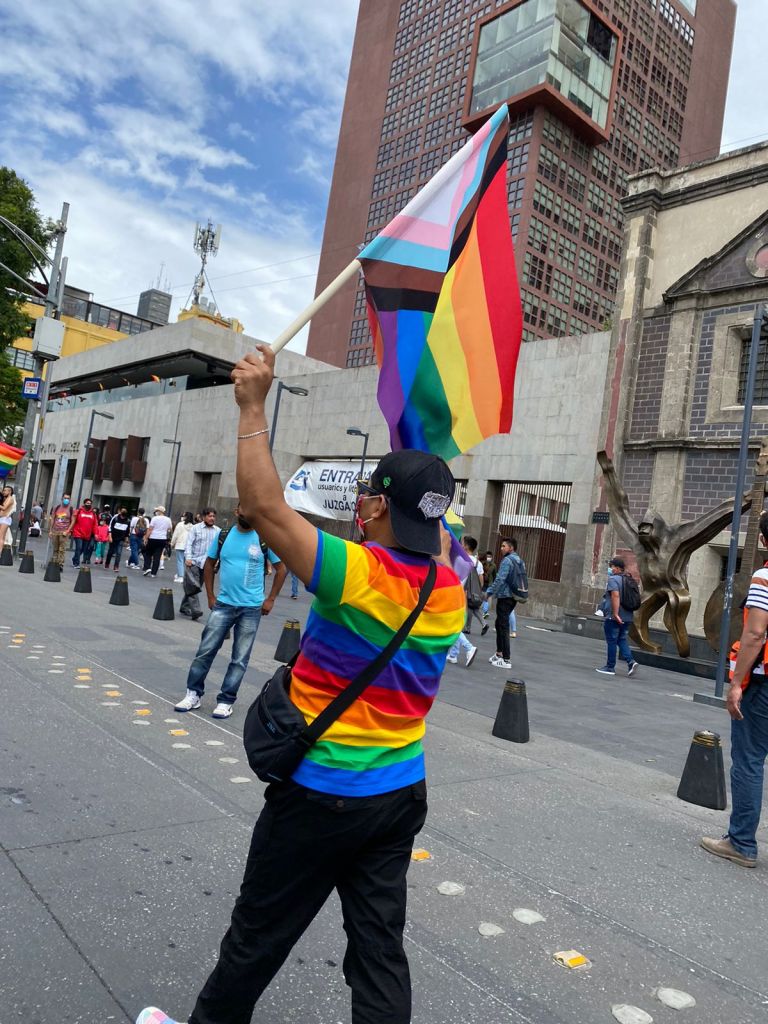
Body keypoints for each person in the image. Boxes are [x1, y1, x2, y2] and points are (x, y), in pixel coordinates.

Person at [137, 344, 465, 1024]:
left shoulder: (360, 574)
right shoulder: (448, 591)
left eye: (369, 497)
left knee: (257, 936)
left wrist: (252, 406)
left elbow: (263, 506)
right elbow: (427, 539)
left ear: (375, 507)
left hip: (323, 794)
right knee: (379, 953)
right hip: (398, 793)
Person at [174, 503, 287, 718]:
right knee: (205, 651)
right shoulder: (223, 536)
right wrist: (210, 595)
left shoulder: (265, 538)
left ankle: (226, 700)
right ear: (237, 511)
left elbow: (281, 569)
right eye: (244, 509)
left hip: (251, 608)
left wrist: (271, 599)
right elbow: (209, 564)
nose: (248, 513)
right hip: (224, 604)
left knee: (239, 658)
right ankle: (193, 694)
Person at [700, 512, 768, 868]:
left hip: (763, 685)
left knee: (749, 761)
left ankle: (741, 843)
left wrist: (737, 684)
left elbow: (755, 634)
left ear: (764, 540)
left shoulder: (763, 578)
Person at [595, 556, 638, 677]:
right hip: (628, 616)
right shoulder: (629, 579)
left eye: (612, 566)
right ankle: (631, 662)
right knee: (621, 639)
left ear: (618, 568)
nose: (611, 569)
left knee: (612, 640)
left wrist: (615, 613)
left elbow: (615, 595)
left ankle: (610, 667)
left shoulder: (613, 580)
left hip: (614, 616)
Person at [485, 538, 523, 668]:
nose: (501, 548)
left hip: (505, 596)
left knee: (503, 626)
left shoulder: (507, 560)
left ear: (511, 548)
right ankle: (499, 653)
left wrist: (489, 592)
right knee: (499, 623)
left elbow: (500, 579)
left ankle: (506, 659)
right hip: (514, 596)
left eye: (504, 546)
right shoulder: (519, 560)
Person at [181, 508, 219, 620]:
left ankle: (184, 606)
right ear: (203, 517)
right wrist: (188, 558)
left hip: (208, 565)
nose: (212, 518)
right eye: (210, 516)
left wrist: (218, 562)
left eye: (213, 516)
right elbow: (189, 543)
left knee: (195, 586)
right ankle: (196, 610)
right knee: (193, 586)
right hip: (194, 562)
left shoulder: (218, 531)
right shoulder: (195, 528)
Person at [460, 535, 487, 637]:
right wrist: (478, 590)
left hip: (462, 589)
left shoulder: (462, 559)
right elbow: (481, 578)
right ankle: (480, 625)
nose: (461, 545)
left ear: (466, 546)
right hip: (473, 590)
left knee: (468, 608)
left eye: (462, 544)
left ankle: (466, 628)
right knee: (472, 607)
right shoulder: (477, 562)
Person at [143, 505, 173, 577]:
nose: (155, 512)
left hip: (153, 537)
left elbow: (150, 529)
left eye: (156, 511)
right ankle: (154, 573)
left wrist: (146, 538)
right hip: (162, 539)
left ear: (159, 511)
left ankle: (147, 567)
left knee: (148, 553)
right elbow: (170, 529)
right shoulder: (168, 519)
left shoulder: (155, 518)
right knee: (157, 555)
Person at [70, 497, 98, 567]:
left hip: (87, 535)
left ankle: (74, 558)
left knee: (83, 549)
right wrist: (71, 530)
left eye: (90, 503)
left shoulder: (93, 514)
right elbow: (73, 521)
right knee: (79, 548)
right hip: (78, 533)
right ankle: (76, 563)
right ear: (84, 503)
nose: (89, 504)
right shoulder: (79, 511)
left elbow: (95, 524)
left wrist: (96, 534)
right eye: (87, 503)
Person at [48, 493, 74, 568]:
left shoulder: (71, 509)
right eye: (65, 498)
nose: (66, 500)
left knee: (62, 549)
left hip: (64, 532)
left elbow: (73, 521)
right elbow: (52, 519)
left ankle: (60, 564)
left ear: (70, 500)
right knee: (55, 548)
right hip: (55, 530)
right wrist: (50, 530)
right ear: (62, 499)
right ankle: (54, 562)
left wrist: (68, 531)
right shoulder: (56, 508)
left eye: (68, 498)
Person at [171, 512, 193, 582]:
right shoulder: (193, 526)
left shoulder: (180, 524)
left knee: (180, 561)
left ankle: (181, 576)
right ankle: (181, 574)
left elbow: (175, 535)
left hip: (180, 544)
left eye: (183, 516)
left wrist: (172, 543)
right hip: (189, 546)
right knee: (185, 561)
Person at [0, 484, 16, 551]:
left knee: (1, 537)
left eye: (5, 490)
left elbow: (4, 508)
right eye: (3, 490)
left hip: (5, 519)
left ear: (9, 492)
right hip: (2, 518)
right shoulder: (5, 498)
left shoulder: (10, 499)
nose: (4, 492)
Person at [481, 550, 496, 619]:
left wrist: (494, 583)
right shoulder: (482, 564)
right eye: (487, 556)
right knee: (484, 597)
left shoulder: (494, 565)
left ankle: (485, 612)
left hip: (489, 584)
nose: (488, 558)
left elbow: (494, 575)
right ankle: (484, 611)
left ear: (492, 557)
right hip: (483, 583)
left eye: (490, 556)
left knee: (486, 597)